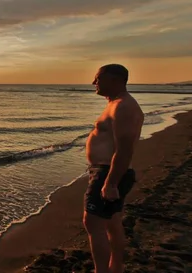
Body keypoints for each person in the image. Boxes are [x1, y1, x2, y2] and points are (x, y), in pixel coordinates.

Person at [84, 64, 144, 273]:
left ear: (116, 80)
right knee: (112, 221)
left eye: (99, 78)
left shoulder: (123, 107)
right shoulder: (116, 104)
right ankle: (115, 268)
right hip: (106, 171)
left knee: (93, 223)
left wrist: (110, 183)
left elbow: (124, 149)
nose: (94, 82)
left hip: (108, 172)